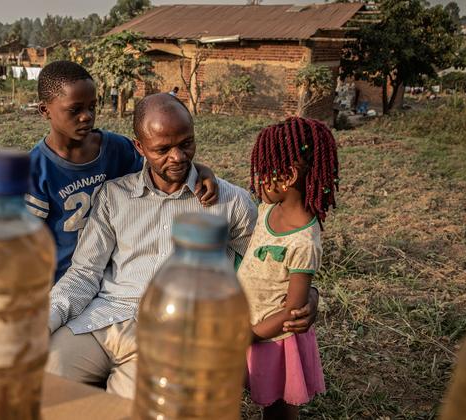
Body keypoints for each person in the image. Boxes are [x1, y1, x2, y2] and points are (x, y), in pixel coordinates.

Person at [45, 93, 319, 398]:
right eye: (162, 149)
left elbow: (267, 268)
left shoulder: (230, 202)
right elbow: (84, 272)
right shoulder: (114, 197)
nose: (177, 157)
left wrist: (309, 294)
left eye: (186, 144)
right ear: (140, 148)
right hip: (102, 319)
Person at [27, 61, 220, 284]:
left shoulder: (117, 148)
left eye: (92, 106)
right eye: (75, 109)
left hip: (117, 274)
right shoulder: (35, 168)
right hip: (63, 280)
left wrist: (200, 170)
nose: (87, 116)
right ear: (44, 110)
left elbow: (161, 165)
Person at [239, 117, 336, 419]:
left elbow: (293, 312)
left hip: (274, 340)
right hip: (249, 325)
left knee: (279, 408)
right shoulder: (268, 209)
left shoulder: (304, 241)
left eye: (264, 172)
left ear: (289, 175)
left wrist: (249, 335)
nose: (258, 180)